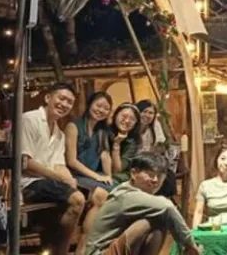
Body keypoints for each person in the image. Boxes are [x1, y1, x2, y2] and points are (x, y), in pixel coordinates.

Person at [84, 152, 201, 255]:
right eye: (150, 174)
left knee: (159, 221)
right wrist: (190, 245)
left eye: (159, 176)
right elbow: (167, 207)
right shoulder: (125, 195)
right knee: (146, 223)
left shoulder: (141, 198)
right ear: (133, 173)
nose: (155, 180)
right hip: (101, 252)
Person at [21, 82, 86, 255]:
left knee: (85, 194)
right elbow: (25, 163)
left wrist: (70, 180)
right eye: (61, 98)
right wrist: (61, 179)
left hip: (47, 183)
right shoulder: (29, 119)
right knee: (77, 200)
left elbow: (59, 165)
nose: (64, 104)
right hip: (27, 183)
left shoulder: (59, 134)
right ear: (48, 98)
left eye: (69, 102)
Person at [64, 92, 115, 254]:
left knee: (119, 191)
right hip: (74, 175)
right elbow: (71, 161)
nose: (101, 110)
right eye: (98, 105)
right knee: (101, 195)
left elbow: (105, 155)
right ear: (89, 104)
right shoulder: (73, 126)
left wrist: (108, 176)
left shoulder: (102, 130)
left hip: (93, 176)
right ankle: (83, 247)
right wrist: (98, 177)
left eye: (106, 108)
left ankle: (104, 244)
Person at [192, 146, 227, 227]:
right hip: (213, 228)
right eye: (223, 158)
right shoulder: (205, 185)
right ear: (216, 160)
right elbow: (198, 212)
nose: (226, 163)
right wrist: (194, 232)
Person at [104, 103, 141, 184]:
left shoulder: (133, 141)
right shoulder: (104, 132)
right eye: (124, 116)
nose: (127, 121)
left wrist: (117, 144)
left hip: (118, 177)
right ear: (115, 115)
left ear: (136, 123)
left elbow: (117, 170)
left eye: (132, 119)